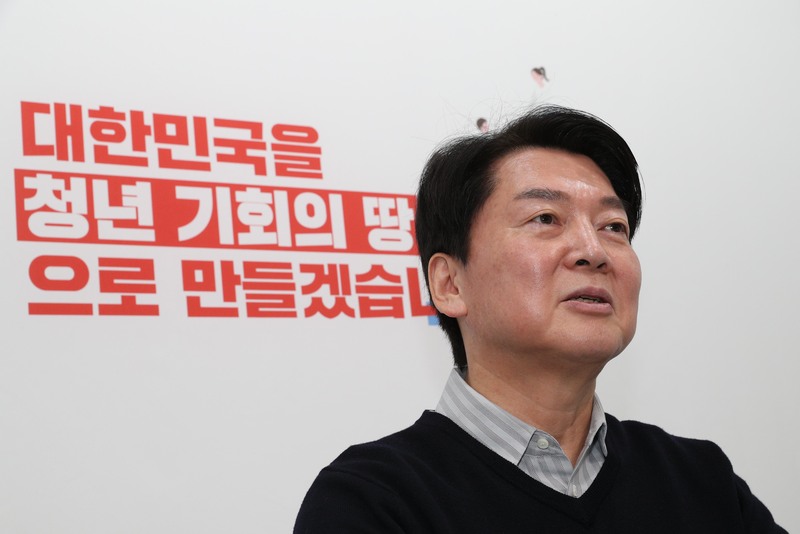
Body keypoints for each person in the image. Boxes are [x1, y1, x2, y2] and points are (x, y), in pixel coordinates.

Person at [294, 106, 786, 533]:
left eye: (613, 227)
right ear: (449, 284)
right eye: (545, 219)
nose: (593, 250)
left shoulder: (699, 477)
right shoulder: (372, 500)